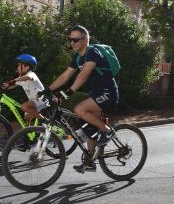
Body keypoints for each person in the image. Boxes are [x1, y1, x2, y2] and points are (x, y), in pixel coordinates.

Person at [39, 25, 119, 172]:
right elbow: (65, 76)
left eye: (75, 39)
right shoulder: (77, 57)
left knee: (79, 109)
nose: (72, 43)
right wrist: (48, 90)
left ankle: (107, 131)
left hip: (108, 93)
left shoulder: (92, 53)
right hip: (96, 94)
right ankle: (90, 163)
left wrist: (69, 91)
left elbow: (84, 75)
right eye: (70, 40)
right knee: (91, 129)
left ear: (85, 40)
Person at [2, 54, 47, 121]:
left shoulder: (31, 74)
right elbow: (11, 86)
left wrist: (14, 80)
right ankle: (35, 130)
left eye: (19, 65)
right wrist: (2, 86)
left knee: (24, 106)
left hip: (42, 99)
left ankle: (45, 120)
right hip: (33, 102)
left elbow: (28, 77)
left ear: (27, 66)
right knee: (27, 118)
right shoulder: (21, 79)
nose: (17, 67)